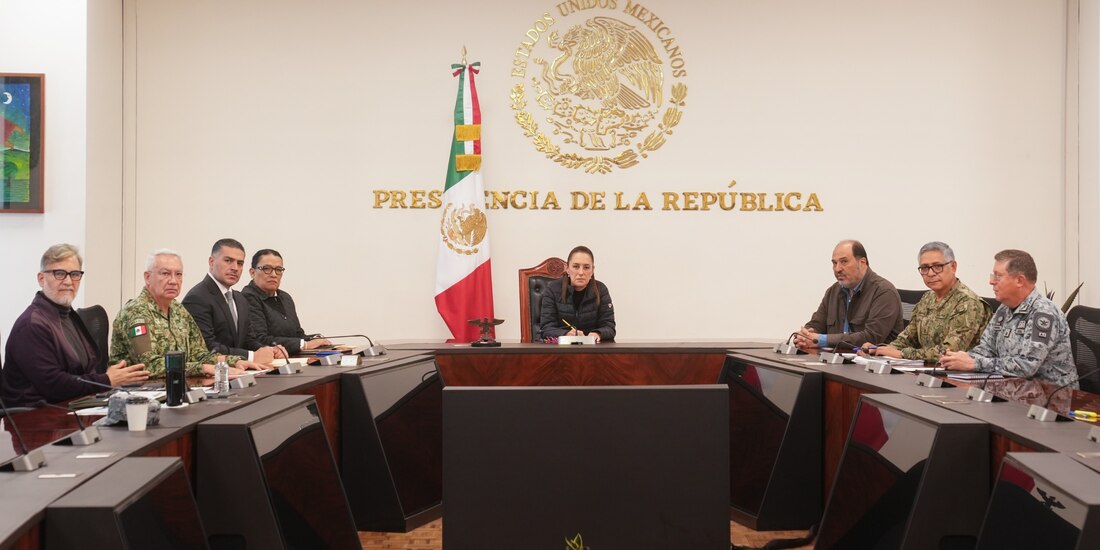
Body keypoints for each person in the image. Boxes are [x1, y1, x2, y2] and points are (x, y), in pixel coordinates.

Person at [2, 244, 149, 406]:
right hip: (36, 419)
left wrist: (114, 381)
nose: (68, 281)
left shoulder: (67, 315)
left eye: (74, 274)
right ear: (41, 279)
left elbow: (86, 370)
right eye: (59, 274)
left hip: (76, 406)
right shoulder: (31, 325)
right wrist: (106, 379)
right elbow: (54, 385)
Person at [110, 249, 269, 377]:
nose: (173, 280)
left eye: (178, 274)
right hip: (139, 395)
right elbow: (149, 366)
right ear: (147, 277)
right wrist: (205, 369)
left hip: (180, 387)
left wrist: (233, 362)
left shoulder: (179, 310)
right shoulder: (136, 313)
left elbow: (199, 354)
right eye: (165, 273)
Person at [940, 250, 1077, 386]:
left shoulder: (1043, 313)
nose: (991, 281)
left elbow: (1027, 366)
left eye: (998, 276)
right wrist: (958, 358)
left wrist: (974, 363)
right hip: (1012, 389)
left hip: (1051, 397)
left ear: (1019, 280)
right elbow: (987, 349)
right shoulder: (1004, 309)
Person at [861, 242, 992, 361]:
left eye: (937, 266)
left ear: (953, 266)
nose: (930, 273)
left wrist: (902, 354)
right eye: (924, 268)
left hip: (958, 377)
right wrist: (880, 350)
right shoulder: (927, 298)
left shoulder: (968, 302)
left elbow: (948, 352)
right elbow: (907, 338)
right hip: (926, 370)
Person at [182, 238, 284, 361]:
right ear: (211, 262)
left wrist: (268, 350)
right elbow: (207, 347)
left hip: (243, 373)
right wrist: (251, 356)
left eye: (240, 263)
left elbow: (248, 340)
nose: (235, 268)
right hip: (215, 376)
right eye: (228, 261)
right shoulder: (197, 298)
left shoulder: (240, 298)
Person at [795, 240, 903, 350]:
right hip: (836, 361)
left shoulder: (884, 292)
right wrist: (805, 336)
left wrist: (821, 340)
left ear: (862, 263)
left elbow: (871, 337)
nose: (837, 269)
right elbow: (817, 324)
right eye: (834, 263)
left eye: (844, 262)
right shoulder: (833, 291)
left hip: (872, 363)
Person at [241, 249, 332, 354]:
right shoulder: (247, 297)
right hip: (270, 362)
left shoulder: (285, 297)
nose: (274, 274)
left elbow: (298, 334)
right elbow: (260, 339)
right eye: (267, 269)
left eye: (278, 269)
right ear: (252, 272)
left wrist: (316, 340)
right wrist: (304, 345)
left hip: (294, 358)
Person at [539, 245, 616, 342]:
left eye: (586, 267)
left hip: (592, 349)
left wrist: (597, 333)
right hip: (561, 350)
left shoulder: (601, 290)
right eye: (575, 267)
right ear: (567, 268)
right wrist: (566, 334)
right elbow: (546, 328)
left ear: (592, 270)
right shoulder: (552, 290)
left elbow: (609, 327)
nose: (581, 272)